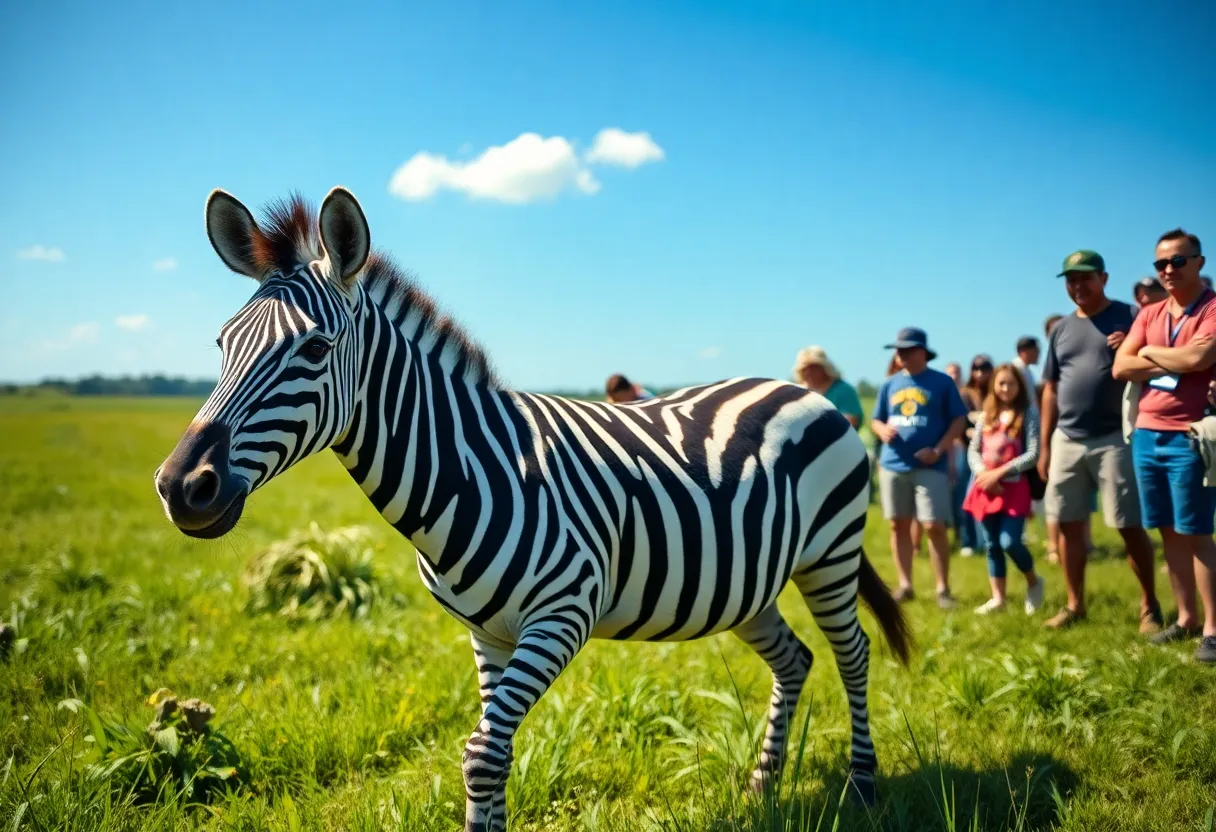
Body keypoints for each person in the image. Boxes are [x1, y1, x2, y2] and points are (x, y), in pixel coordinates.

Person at [1039, 249, 1162, 632]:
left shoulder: (1130, 316)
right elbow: (1050, 389)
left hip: (1116, 436)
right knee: (1069, 524)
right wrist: (1044, 444)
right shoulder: (1060, 329)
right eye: (1071, 280)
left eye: (1085, 278)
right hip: (1067, 439)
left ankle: (1149, 606)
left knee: (1128, 525)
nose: (1078, 286)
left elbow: (1159, 362)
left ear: (1103, 279)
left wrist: (1133, 345)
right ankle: (1075, 605)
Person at [1114, 229, 1216, 663]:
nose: (1168, 270)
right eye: (1161, 264)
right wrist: (1166, 352)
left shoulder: (1211, 310)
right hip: (1147, 432)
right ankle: (1186, 618)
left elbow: (1198, 360)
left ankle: (1213, 629)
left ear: (1199, 262)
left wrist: (1148, 353)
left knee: (1196, 531)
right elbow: (1121, 366)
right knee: (1167, 530)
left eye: (1177, 261)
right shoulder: (1151, 312)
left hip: (1190, 434)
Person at [871, 327, 968, 608]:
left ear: (922, 352)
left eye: (906, 349)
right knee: (897, 525)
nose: (900, 354)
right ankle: (905, 585)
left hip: (930, 466)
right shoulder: (889, 384)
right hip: (893, 464)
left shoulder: (941, 383)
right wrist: (881, 431)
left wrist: (939, 449)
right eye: (897, 349)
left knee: (934, 525)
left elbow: (958, 421)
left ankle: (942, 589)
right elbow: (876, 419)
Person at [963, 363, 1045, 615]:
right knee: (991, 545)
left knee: (1009, 542)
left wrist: (999, 473)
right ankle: (998, 598)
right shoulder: (986, 415)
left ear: (1019, 386)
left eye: (1011, 383)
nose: (1006, 388)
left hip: (1013, 488)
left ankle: (1034, 581)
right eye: (1001, 383)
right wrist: (983, 474)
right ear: (994, 386)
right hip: (985, 488)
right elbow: (973, 450)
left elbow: (1032, 454)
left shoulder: (1028, 413)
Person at [792, 345, 863, 428]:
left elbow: (847, 424)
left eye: (814, 367)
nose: (809, 372)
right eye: (805, 368)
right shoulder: (795, 393)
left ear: (825, 368)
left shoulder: (844, 391)